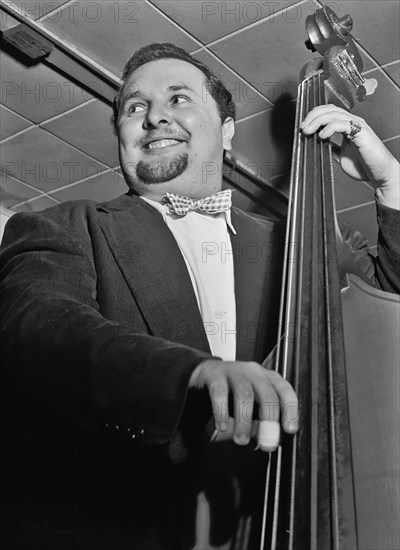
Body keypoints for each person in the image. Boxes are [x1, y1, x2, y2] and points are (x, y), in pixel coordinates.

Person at [0, 43, 398, 550]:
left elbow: (386, 316)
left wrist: (390, 184)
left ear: (227, 133)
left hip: (272, 522)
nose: (155, 116)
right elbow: (39, 329)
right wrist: (194, 373)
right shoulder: (67, 225)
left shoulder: (300, 246)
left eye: (179, 98)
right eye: (134, 108)